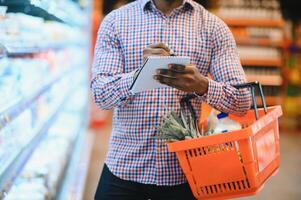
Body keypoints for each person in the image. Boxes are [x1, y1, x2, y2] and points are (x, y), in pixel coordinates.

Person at [91, 0, 251, 199]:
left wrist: (202, 85)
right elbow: (101, 94)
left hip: (185, 174)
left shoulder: (213, 27)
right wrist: (141, 75)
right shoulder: (116, 21)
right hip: (123, 169)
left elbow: (242, 101)